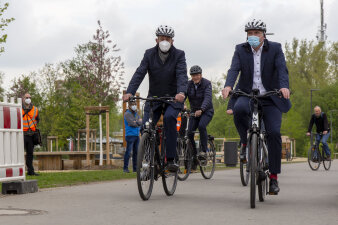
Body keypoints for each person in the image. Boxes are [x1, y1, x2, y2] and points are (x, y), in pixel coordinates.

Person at [222, 19, 291, 195]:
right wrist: (228, 86)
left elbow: (282, 69)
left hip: (270, 96)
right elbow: (233, 69)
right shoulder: (240, 49)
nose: (253, 36)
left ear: (264, 34)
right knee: (238, 110)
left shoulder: (275, 48)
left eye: (256, 33)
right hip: (249, 94)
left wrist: (284, 87)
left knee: (274, 133)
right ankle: (245, 143)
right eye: (250, 33)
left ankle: (274, 178)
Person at [122, 25, 188, 172]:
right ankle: (149, 161)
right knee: (145, 126)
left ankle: (170, 159)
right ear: (156, 39)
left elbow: (182, 75)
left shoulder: (179, 54)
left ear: (172, 41)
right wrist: (130, 91)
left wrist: (182, 92)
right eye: (162, 38)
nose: (165, 41)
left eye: (168, 39)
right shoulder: (149, 54)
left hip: (173, 98)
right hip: (155, 97)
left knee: (170, 118)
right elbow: (140, 72)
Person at [186, 65, 214, 170]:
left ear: (201, 75)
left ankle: (203, 151)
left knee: (202, 126)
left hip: (206, 111)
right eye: (193, 75)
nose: (195, 77)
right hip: (194, 112)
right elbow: (183, 95)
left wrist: (201, 109)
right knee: (189, 133)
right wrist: (182, 106)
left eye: (197, 75)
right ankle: (194, 154)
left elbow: (207, 98)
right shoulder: (188, 85)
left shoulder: (207, 84)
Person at [22, 93, 40, 176]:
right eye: (26, 97)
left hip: (31, 134)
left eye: (29, 97)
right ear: (23, 99)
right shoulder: (19, 109)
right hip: (22, 134)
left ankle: (30, 171)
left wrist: (33, 127)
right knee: (19, 153)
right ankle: (21, 171)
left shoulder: (35, 109)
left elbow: (37, 119)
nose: (28, 99)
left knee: (30, 154)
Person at [124, 100, 142, 173]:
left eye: (135, 104)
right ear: (129, 106)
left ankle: (135, 169)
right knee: (128, 152)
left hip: (137, 135)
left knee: (136, 153)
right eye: (133, 105)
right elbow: (132, 123)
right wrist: (137, 122)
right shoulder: (127, 114)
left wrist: (136, 122)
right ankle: (125, 168)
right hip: (130, 135)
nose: (134, 106)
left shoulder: (136, 114)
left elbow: (141, 121)